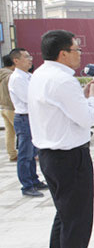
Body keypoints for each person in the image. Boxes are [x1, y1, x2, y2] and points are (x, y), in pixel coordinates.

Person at [28, 29, 94, 248]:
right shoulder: (63, 80)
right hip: (69, 156)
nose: (79, 54)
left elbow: (66, 111)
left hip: (51, 155)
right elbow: (85, 119)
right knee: (77, 217)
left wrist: (84, 97)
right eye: (76, 50)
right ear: (63, 53)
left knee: (64, 214)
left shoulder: (41, 74)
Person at [9, 48, 48, 197]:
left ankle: (34, 180)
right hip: (24, 118)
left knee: (32, 153)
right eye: (26, 57)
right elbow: (29, 98)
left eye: (30, 56)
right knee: (25, 154)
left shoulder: (29, 76)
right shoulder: (17, 78)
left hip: (33, 117)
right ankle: (27, 185)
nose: (30, 59)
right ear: (16, 60)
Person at [0, 54, 17, 162]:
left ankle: (12, 154)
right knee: (23, 133)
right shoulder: (11, 76)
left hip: (3, 107)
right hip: (12, 107)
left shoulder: (1, 74)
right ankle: (29, 154)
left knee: (9, 132)